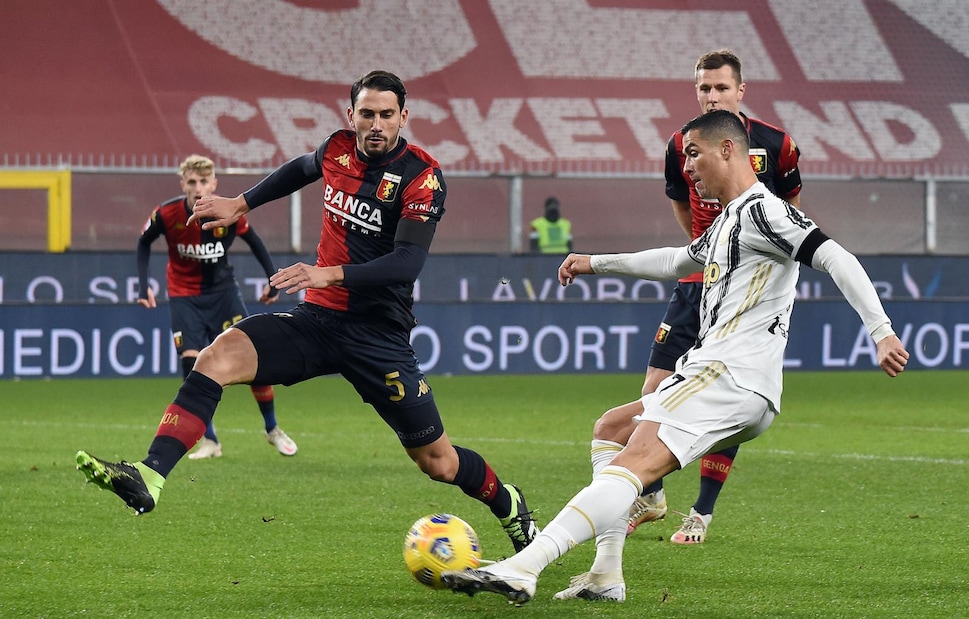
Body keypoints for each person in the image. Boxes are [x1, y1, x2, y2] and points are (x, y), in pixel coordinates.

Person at [440, 109, 909, 604]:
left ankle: (523, 568)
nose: (687, 167)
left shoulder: (762, 211)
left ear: (727, 149)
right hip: (738, 382)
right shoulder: (731, 218)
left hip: (727, 373)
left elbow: (837, 257)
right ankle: (605, 575)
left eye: (693, 153)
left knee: (634, 464)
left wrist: (881, 332)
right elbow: (676, 261)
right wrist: (595, 263)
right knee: (611, 431)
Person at [76, 70, 538, 553]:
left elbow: (407, 263)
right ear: (351, 115)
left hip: (378, 337)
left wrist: (328, 273)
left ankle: (507, 502)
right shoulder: (338, 147)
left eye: (386, 115)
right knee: (215, 358)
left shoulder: (422, 177)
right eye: (366, 114)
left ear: (404, 117)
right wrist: (240, 201)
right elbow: (301, 168)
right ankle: (151, 474)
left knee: (438, 463)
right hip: (317, 321)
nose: (375, 124)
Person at [618, 49, 804, 544]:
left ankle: (701, 511)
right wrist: (706, 251)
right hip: (698, 277)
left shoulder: (776, 145)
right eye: (704, 88)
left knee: (730, 393)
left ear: (740, 91)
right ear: (695, 89)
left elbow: (791, 217)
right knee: (652, 391)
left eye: (721, 87)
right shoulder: (682, 144)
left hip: (744, 289)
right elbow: (683, 207)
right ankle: (652, 491)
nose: (712, 95)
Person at [136, 154, 298, 459]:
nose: (198, 188)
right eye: (192, 182)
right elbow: (144, 242)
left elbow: (256, 242)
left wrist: (272, 280)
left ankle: (272, 427)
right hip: (185, 296)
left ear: (214, 184)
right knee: (192, 362)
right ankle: (209, 440)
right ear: (182, 183)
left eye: (203, 182)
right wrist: (143, 285)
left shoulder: (226, 212)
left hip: (223, 293)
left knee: (254, 356)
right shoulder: (167, 214)